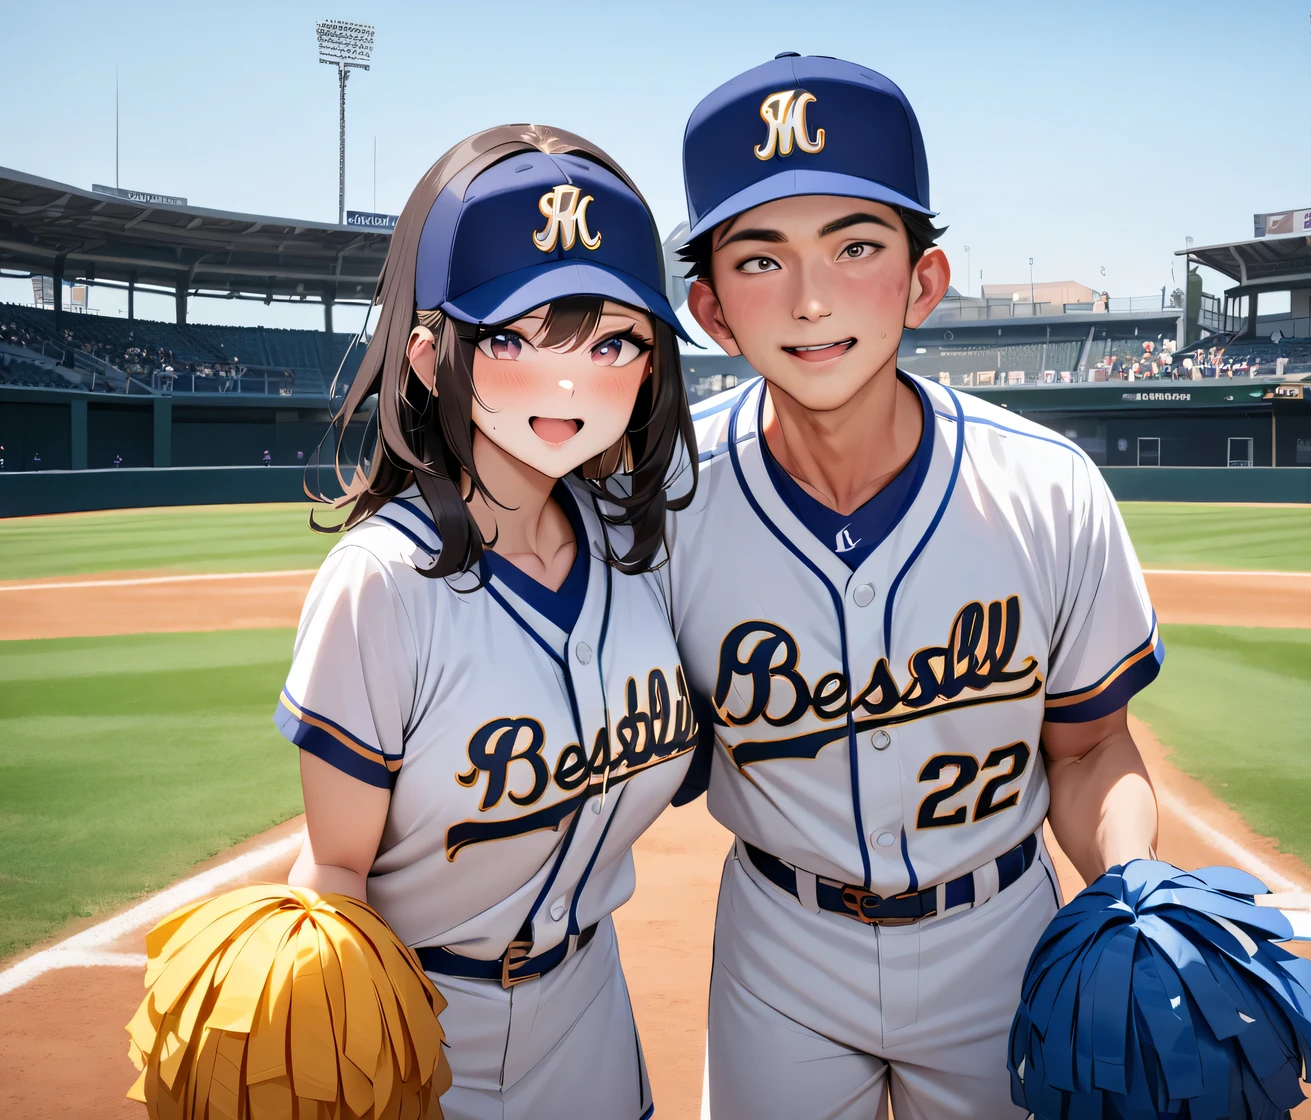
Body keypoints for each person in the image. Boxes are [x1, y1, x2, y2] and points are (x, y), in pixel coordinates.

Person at [666, 55, 1162, 1118]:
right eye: (762, 259)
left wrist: (1128, 888)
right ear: (709, 308)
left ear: (922, 281)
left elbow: (1090, 745)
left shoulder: (1045, 488)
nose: (810, 297)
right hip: (779, 943)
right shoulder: (664, 506)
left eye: (855, 245)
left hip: (1005, 936)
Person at [277, 124, 700, 1120]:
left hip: (591, 1013)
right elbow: (336, 864)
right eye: (514, 338)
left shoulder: (645, 548)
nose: (569, 380)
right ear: (429, 357)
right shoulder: (380, 582)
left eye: (610, 343)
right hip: (416, 1033)